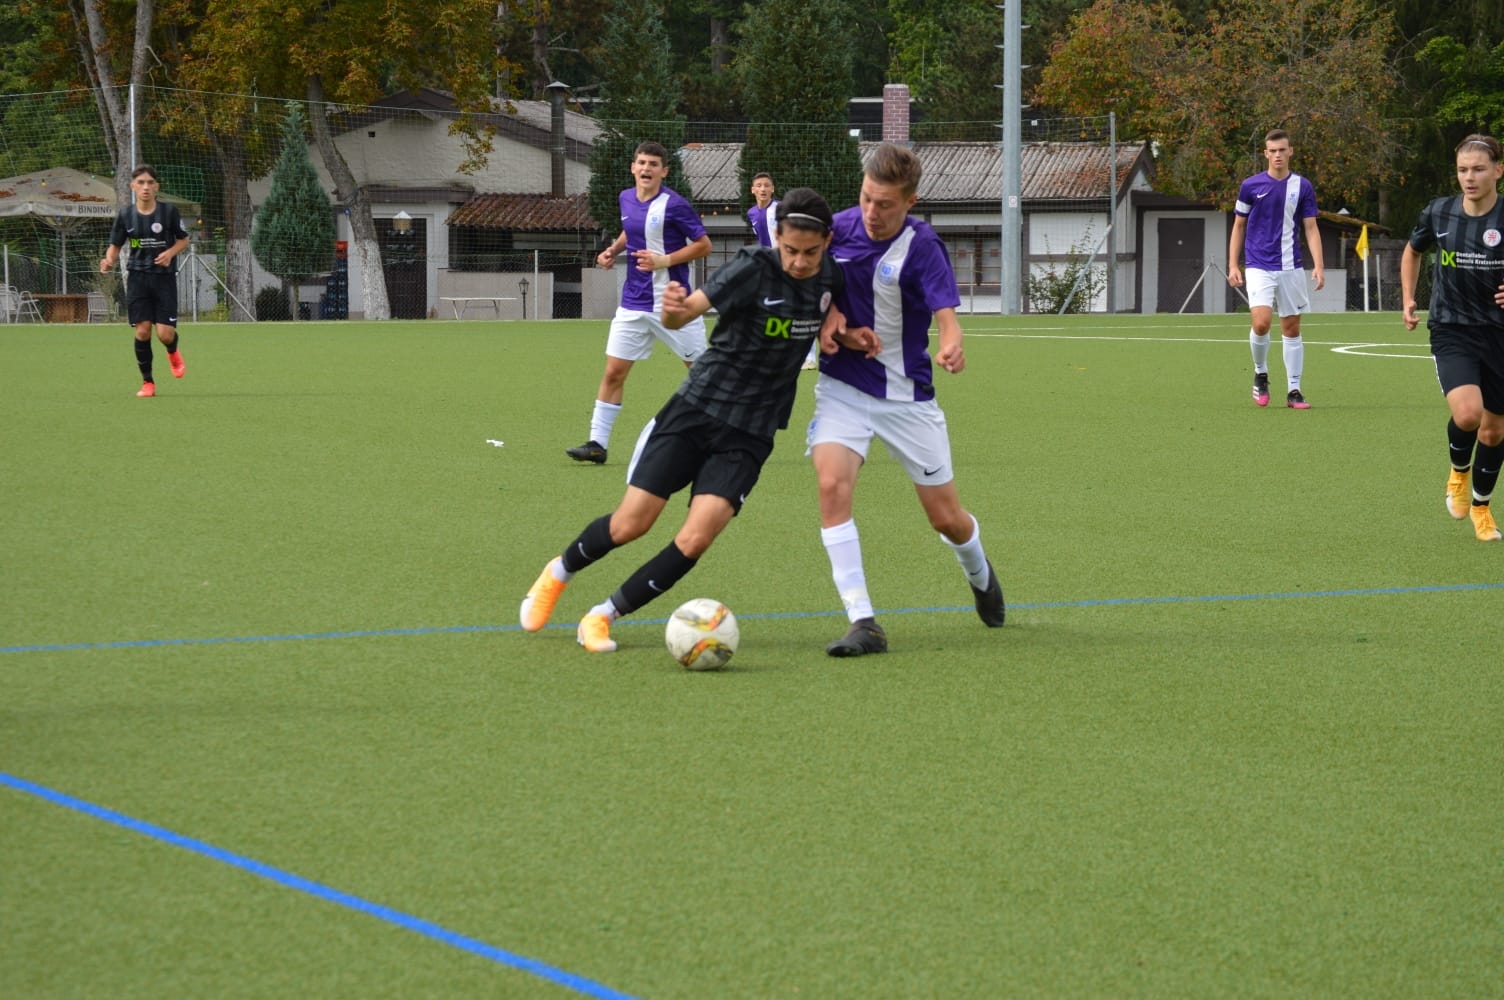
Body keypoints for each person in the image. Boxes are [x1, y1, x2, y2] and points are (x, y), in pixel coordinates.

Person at [521, 189, 877, 652]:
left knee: (695, 539)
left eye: (810, 252)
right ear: (777, 237)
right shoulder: (752, 266)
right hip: (696, 410)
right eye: (790, 249)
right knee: (631, 524)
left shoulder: (832, 275)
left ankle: (601, 616)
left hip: (751, 432)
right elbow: (687, 312)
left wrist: (848, 336)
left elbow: (832, 318)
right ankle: (558, 572)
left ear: (827, 242)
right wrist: (673, 311)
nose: (798, 262)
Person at [808, 143, 1005, 657]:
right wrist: (830, 319)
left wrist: (952, 344)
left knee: (946, 518)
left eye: (885, 204)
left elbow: (947, 318)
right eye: (866, 198)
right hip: (842, 388)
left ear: (910, 202)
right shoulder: (835, 230)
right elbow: (805, 280)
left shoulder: (923, 246)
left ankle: (979, 572)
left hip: (906, 396)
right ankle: (863, 621)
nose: (872, 212)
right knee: (831, 485)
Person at [566, 141, 713, 465]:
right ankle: (597, 444)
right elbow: (630, 231)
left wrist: (664, 261)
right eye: (642, 163)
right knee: (613, 372)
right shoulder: (625, 198)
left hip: (673, 304)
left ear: (664, 171)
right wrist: (612, 251)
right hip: (633, 303)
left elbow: (704, 245)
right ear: (633, 167)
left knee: (703, 375)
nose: (646, 168)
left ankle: (722, 437)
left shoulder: (675, 205)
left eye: (653, 164)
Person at [1401, 133, 1504, 543]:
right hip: (1452, 327)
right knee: (1468, 415)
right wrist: (1408, 298)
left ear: (1498, 171)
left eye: (1478, 169)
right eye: (1462, 170)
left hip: (1499, 333)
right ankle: (1459, 472)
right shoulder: (1439, 212)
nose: (1469, 177)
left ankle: (1481, 507)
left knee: (1494, 433)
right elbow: (1412, 251)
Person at [1227, 128, 1326, 409]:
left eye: (1282, 150)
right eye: (1273, 151)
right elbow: (1238, 225)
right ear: (1266, 154)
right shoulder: (1250, 186)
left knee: (1291, 328)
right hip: (1258, 264)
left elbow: (1311, 227)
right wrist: (1233, 264)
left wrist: (1319, 265)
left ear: (1290, 151)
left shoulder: (1303, 186)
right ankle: (1260, 373)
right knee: (1261, 322)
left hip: (1291, 265)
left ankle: (1294, 390)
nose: (1278, 155)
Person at [100, 164, 190, 398]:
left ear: (156, 186)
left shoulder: (169, 212)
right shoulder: (125, 215)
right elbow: (115, 246)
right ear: (133, 186)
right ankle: (148, 382)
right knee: (142, 332)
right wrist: (108, 260)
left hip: (164, 279)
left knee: (165, 334)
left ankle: (172, 351)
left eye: (150, 182)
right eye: (140, 183)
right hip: (138, 279)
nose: (146, 187)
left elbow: (184, 240)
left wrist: (170, 253)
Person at [746, 172, 780, 248]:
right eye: (759, 186)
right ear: (753, 190)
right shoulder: (751, 213)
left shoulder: (781, 208)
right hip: (764, 254)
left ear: (772, 189)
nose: (763, 189)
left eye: (767, 186)